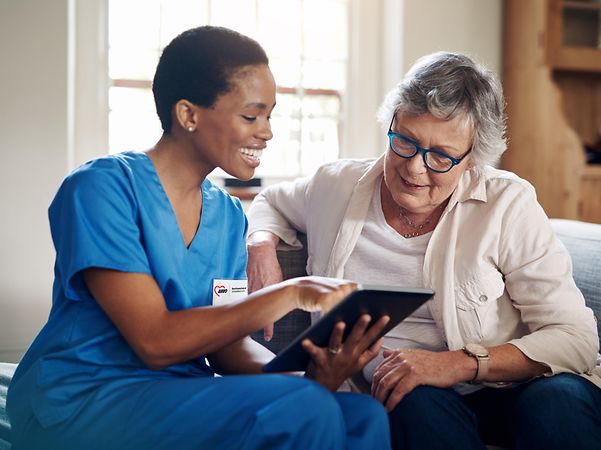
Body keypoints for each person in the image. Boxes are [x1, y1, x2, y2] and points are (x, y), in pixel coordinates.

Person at [6, 26, 393, 450]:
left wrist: (308, 376)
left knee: (360, 416)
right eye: (251, 115)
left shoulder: (227, 215)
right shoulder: (101, 189)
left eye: (269, 115)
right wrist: (291, 293)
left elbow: (227, 350)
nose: (266, 132)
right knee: (305, 406)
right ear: (188, 115)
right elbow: (154, 341)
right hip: (83, 398)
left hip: (178, 395)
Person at [246, 51, 601, 449]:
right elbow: (270, 202)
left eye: (440, 157)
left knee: (559, 402)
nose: (415, 168)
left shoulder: (508, 204)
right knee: (409, 398)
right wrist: (261, 246)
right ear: (392, 123)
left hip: (517, 387)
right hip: (417, 396)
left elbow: (577, 339)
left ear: (472, 160)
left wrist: (457, 364)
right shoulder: (336, 185)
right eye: (405, 142)